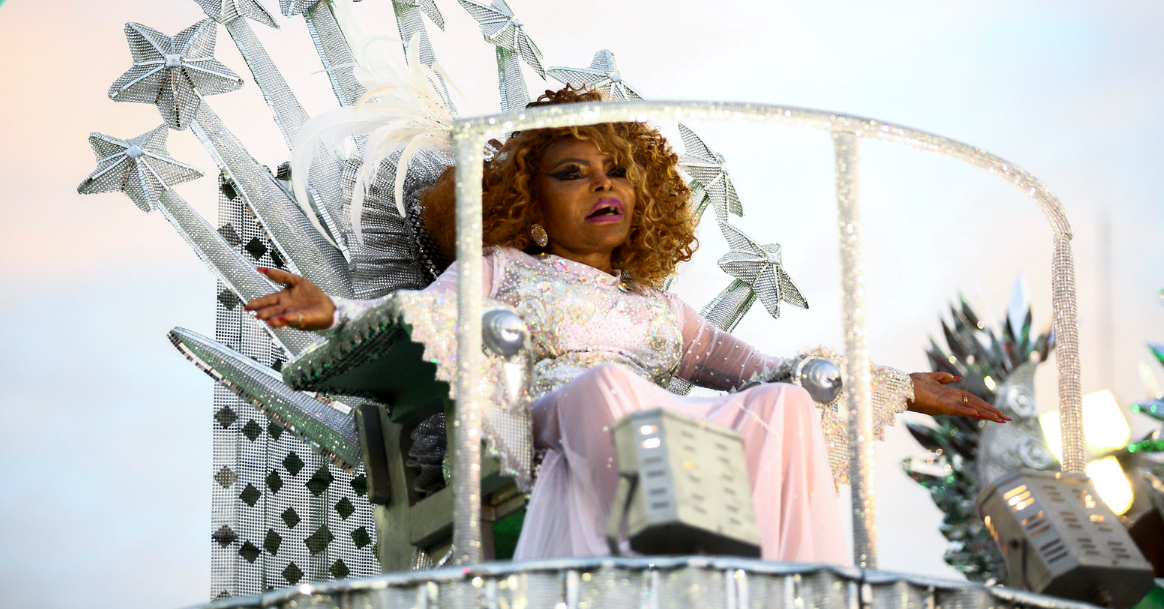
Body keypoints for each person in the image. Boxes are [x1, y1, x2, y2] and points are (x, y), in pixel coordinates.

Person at [244, 85, 1009, 564]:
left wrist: (901, 387)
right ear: (530, 201)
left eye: (616, 172)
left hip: (667, 447)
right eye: (572, 173)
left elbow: (770, 372)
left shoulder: (661, 308)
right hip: (543, 431)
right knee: (609, 386)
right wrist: (333, 309)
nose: (601, 185)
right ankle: (646, 551)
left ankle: (777, 580)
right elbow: (422, 315)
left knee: (782, 407)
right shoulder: (508, 268)